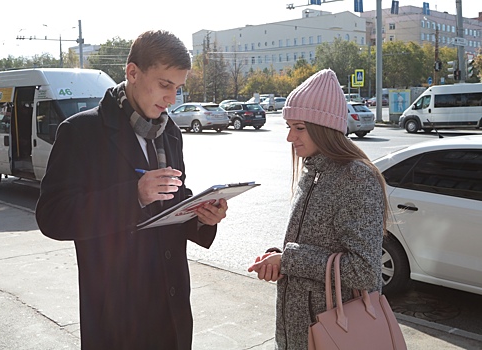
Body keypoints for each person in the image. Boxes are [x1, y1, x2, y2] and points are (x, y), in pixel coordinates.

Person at [35, 30, 228, 350]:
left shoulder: (171, 134)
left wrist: (202, 216)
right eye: (165, 84)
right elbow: (53, 216)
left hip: (172, 310)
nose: (171, 99)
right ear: (133, 72)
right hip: (117, 318)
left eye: (178, 88)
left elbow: (173, 197)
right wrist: (133, 195)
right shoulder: (81, 132)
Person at [248, 69, 388, 349]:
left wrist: (289, 260)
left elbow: (364, 271)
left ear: (325, 129)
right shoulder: (313, 171)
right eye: (289, 126)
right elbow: (314, 247)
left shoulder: (356, 177)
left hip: (335, 334)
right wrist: (280, 258)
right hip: (299, 332)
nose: (290, 137)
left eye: (299, 128)